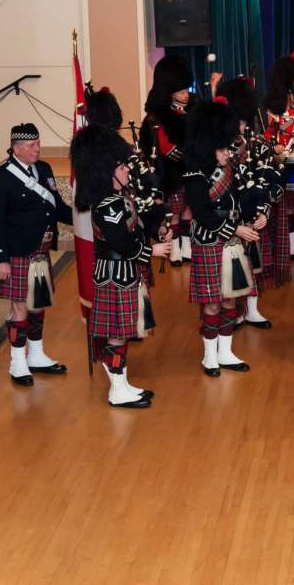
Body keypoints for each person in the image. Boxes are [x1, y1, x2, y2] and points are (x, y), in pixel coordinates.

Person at [71, 123, 170, 408]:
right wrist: (152, 250)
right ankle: (117, 390)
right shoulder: (106, 205)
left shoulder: (120, 198)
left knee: (123, 331)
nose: (127, 169)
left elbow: (135, 230)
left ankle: (122, 383)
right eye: (121, 166)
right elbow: (121, 242)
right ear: (107, 170)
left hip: (125, 272)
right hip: (116, 273)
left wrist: (157, 231)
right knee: (117, 333)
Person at [0, 123, 74, 386]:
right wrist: (1, 258)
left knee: (36, 305)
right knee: (19, 307)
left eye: (38, 143)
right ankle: (17, 362)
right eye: (32, 145)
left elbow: (57, 207)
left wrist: (82, 218)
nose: (38, 149)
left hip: (40, 251)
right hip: (15, 253)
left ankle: (36, 355)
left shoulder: (43, 169)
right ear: (17, 148)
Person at [184, 100, 262, 376]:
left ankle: (226, 352)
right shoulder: (194, 175)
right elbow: (203, 214)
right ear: (209, 146)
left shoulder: (233, 168)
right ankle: (209, 356)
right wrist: (236, 230)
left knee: (231, 299)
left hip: (231, 241)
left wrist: (256, 216)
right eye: (222, 148)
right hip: (208, 241)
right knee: (213, 301)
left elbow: (242, 200)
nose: (228, 153)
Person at [219, 75, 283, 329]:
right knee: (233, 267)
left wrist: (265, 210)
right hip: (231, 220)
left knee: (254, 264)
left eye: (244, 122)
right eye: (238, 122)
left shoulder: (258, 146)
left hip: (255, 218)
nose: (242, 127)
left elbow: (273, 180)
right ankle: (233, 311)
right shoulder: (221, 152)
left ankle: (252, 310)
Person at [140, 54, 193, 265]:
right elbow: (168, 149)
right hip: (170, 175)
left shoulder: (189, 113)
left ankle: (187, 248)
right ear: (169, 92)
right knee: (175, 214)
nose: (186, 95)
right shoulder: (157, 119)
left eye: (186, 90)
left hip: (189, 172)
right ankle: (175, 250)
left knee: (189, 210)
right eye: (180, 91)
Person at [264, 52, 294, 259]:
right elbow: (269, 136)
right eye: (292, 93)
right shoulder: (277, 114)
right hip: (287, 164)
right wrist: (274, 145)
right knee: (291, 207)